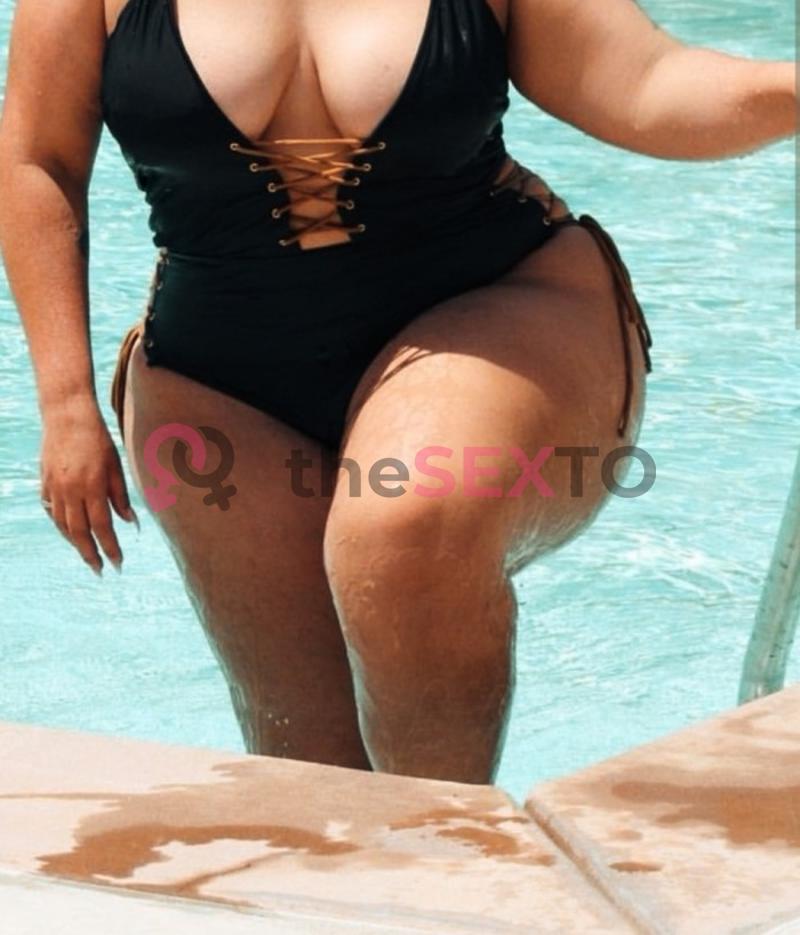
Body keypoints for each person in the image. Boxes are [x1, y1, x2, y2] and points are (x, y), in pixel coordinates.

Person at [0, 0, 794, 784]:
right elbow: (38, 161)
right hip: (218, 374)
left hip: (492, 309)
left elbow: (647, 82)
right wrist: (66, 404)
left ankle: (452, 850)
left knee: (401, 524)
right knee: (317, 783)